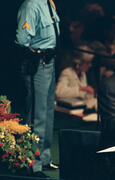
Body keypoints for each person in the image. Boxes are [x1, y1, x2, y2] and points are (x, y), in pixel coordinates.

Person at [15, 0, 59, 177]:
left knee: (48, 111)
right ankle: (33, 164)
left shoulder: (48, 2)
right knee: (37, 114)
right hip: (37, 64)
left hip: (49, 61)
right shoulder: (31, 5)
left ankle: (45, 158)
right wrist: (34, 57)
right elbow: (22, 39)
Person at [55, 44, 97, 111]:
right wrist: (82, 89)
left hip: (79, 107)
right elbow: (59, 92)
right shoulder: (67, 72)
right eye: (87, 63)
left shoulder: (83, 74)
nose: (90, 65)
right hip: (66, 110)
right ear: (79, 62)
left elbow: (83, 95)